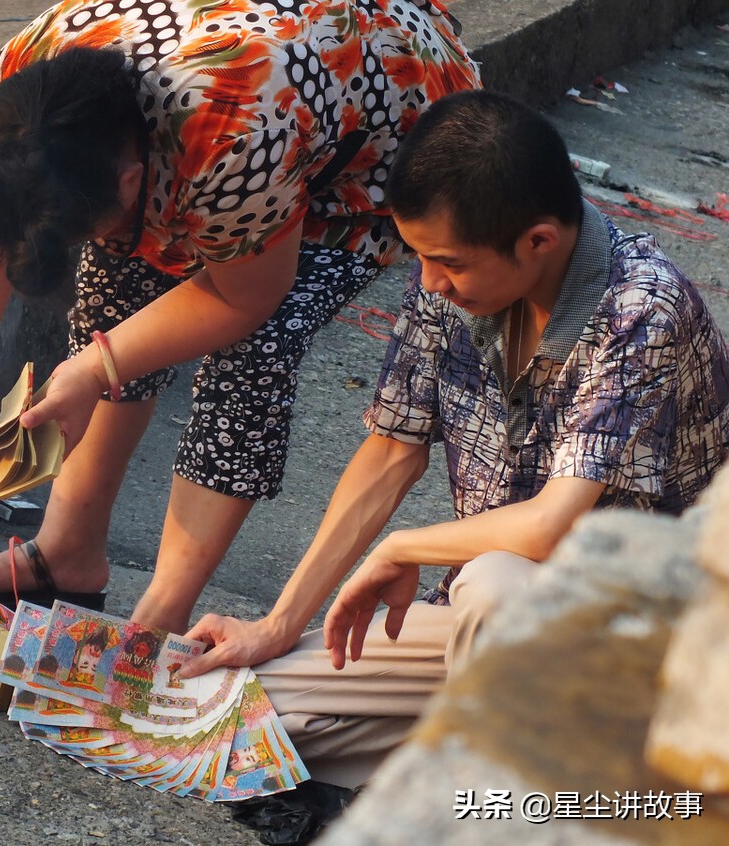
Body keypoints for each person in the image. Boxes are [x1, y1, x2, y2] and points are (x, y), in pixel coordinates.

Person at [180, 89, 729, 817]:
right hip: (498, 637)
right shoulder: (453, 282)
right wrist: (278, 624)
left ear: (537, 240)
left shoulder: (642, 311)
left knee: (495, 581)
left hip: (645, 653)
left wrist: (407, 546)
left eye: (448, 264)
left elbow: (548, 527)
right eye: (421, 259)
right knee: (235, 720)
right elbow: (389, 452)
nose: (431, 282)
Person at [0, 0, 481, 632]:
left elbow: (245, 297)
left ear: (132, 181)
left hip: (371, 149)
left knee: (255, 350)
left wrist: (93, 369)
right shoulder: (20, 89)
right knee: (114, 288)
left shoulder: (234, 131)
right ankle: (67, 557)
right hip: (260, 107)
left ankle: (157, 619)